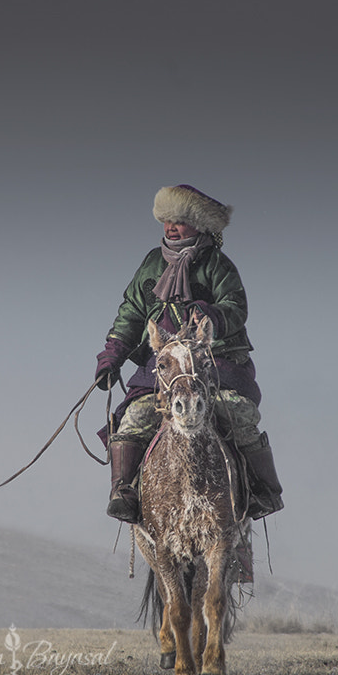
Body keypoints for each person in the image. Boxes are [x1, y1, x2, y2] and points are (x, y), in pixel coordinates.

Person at [95, 184, 284, 527]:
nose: (171, 226)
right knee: (135, 417)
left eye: (180, 220)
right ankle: (123, 491)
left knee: (239, 416)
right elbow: (132, 313)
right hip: (164, 367)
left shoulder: (217, 265)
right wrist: (111, 357)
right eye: (166, 219)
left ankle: (263, 490)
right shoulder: (152, 262)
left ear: (198, 224)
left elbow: (236, 308)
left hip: (216, 364)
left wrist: (210, 314)